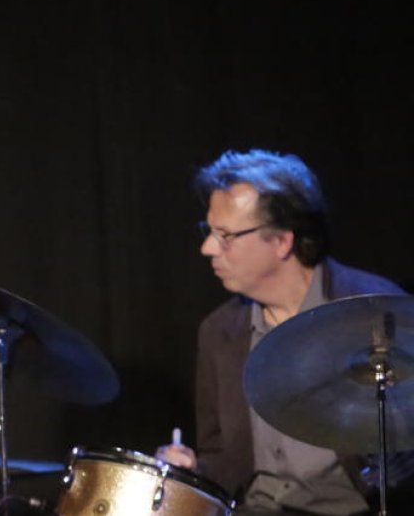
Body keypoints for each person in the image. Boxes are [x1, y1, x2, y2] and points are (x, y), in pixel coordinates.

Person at [157, 148, 409, 515]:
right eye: (208, 231)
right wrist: (194, 468)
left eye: (224, 235)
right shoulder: (219, 331)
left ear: (281, 241)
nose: (207, 248)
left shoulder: (373, 313)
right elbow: (222, 460)